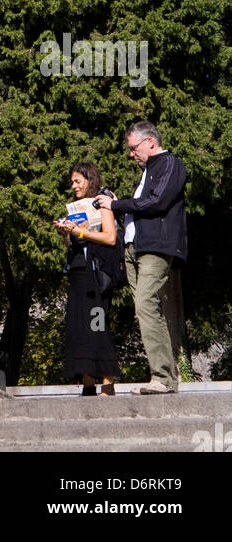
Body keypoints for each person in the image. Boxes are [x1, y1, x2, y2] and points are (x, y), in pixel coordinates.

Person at [95, 121, 187, 393]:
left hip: (156, 248)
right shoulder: (147, 173)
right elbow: (141, 207)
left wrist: (116, 204)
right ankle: (166, 378)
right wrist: (116, 203)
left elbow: (157, 202)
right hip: (135, 249)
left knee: (146, 304)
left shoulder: (170, 163)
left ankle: (162, 378)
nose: (131, 154)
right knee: (146, 310)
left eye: (133, 148)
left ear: (150, 142)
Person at [54, 162, 120, 397]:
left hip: (98, 275)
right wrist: (67, 233)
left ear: (89, 180)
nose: (74, 186)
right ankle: (87, 381)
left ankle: (108, 382)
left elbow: (110, 237)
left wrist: (81, 231)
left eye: (77, 181)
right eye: (72, 182)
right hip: (79, 272)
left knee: (97, 324)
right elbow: (74, 244)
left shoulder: (103, 201)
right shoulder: (75, 207)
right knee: (79, 325)